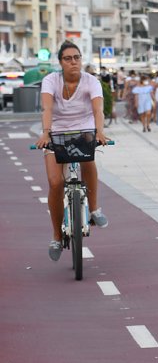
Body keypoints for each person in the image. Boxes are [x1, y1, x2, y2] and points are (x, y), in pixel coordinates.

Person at [36, 41, 109, 262]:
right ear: (60, 63)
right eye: (68, 58)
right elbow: (47, 108)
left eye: (77, 57)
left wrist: (100, 132)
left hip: (84, 131)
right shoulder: (51, 81)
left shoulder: (91, 81)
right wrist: (46, 133)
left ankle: (94, 209)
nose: (73, 62)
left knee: (88, 161)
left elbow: (98, 109)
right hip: (56, 133)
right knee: (56, 183)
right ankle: (57, 236)